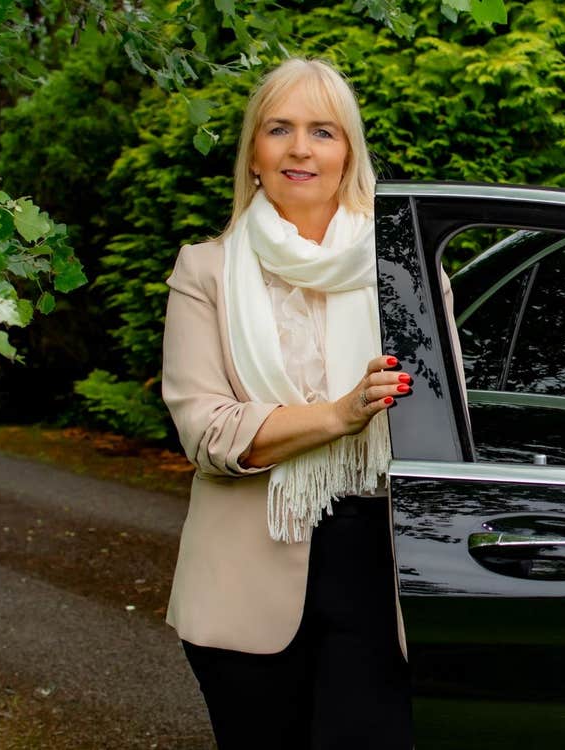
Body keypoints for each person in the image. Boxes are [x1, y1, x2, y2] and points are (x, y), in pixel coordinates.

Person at [160, 58, 413, 749]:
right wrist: (338, 415)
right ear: (253, 155)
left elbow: (438, 427)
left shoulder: (403, 274)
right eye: (280, 129)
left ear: (348, 155)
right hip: (246, 580)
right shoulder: (204, 271)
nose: (301, 148)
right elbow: (208, 433)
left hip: (380, 575)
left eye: (323, 131)